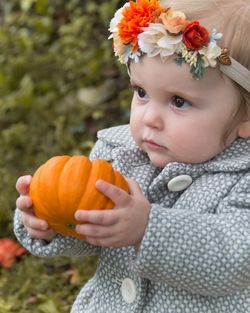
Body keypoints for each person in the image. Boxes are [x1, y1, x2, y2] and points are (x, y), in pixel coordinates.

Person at [14, 0, 250, 312]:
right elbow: (92, 229)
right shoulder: (120, 152)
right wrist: (50, 221)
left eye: (179, 101)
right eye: (141, 92)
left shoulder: (242, 178)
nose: (150, 117)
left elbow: (236, 257)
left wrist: (147, 229)